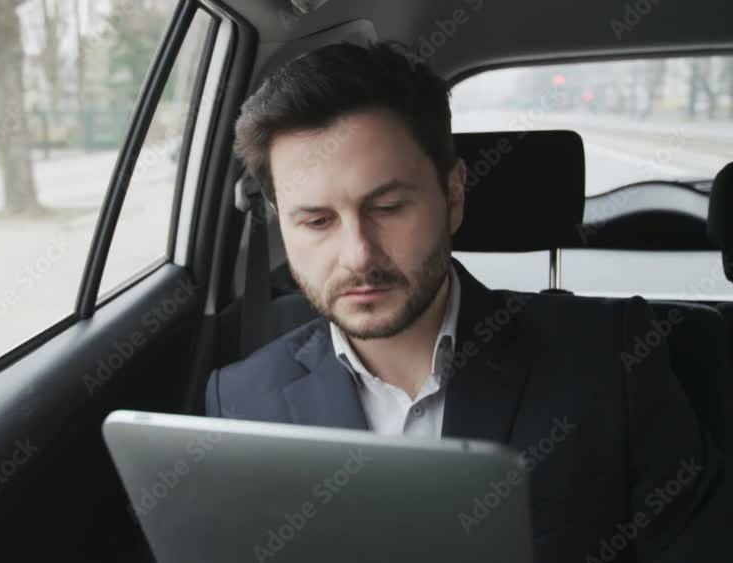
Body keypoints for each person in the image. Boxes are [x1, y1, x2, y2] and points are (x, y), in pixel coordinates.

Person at [204, 40, 722, 562]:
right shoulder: (241, 399)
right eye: (317, 221)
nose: (357, 256)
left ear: (452, 196)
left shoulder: (610, 356)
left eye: (387, 207)